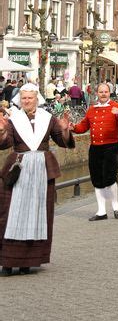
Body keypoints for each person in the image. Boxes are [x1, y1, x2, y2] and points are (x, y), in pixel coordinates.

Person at [0, 83, 74, 276]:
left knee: (38, 212)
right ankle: (7, 261)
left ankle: (28, 261)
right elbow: (5, 142)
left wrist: (65, 130)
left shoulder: (47, 119)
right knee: (9, 213)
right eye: (23, 98)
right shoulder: (13, 120)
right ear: (20, 100)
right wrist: (1, 132)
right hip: (19, 167)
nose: (27, 101)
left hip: (42, 169)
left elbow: (61, 139)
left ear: (37, 99)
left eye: (30, 98)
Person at [71, 83, 118, 221]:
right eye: (101, 92)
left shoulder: (115, 106)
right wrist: (72, 127)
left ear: (110, 93)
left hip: (110, 146)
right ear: (97, 93)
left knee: (110, 177)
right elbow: (83, 127)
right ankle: (101, 211)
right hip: (95, 147)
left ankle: (115, 206)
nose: (103, 94)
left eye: (106, 92)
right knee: (97, 178)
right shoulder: (92, 109)